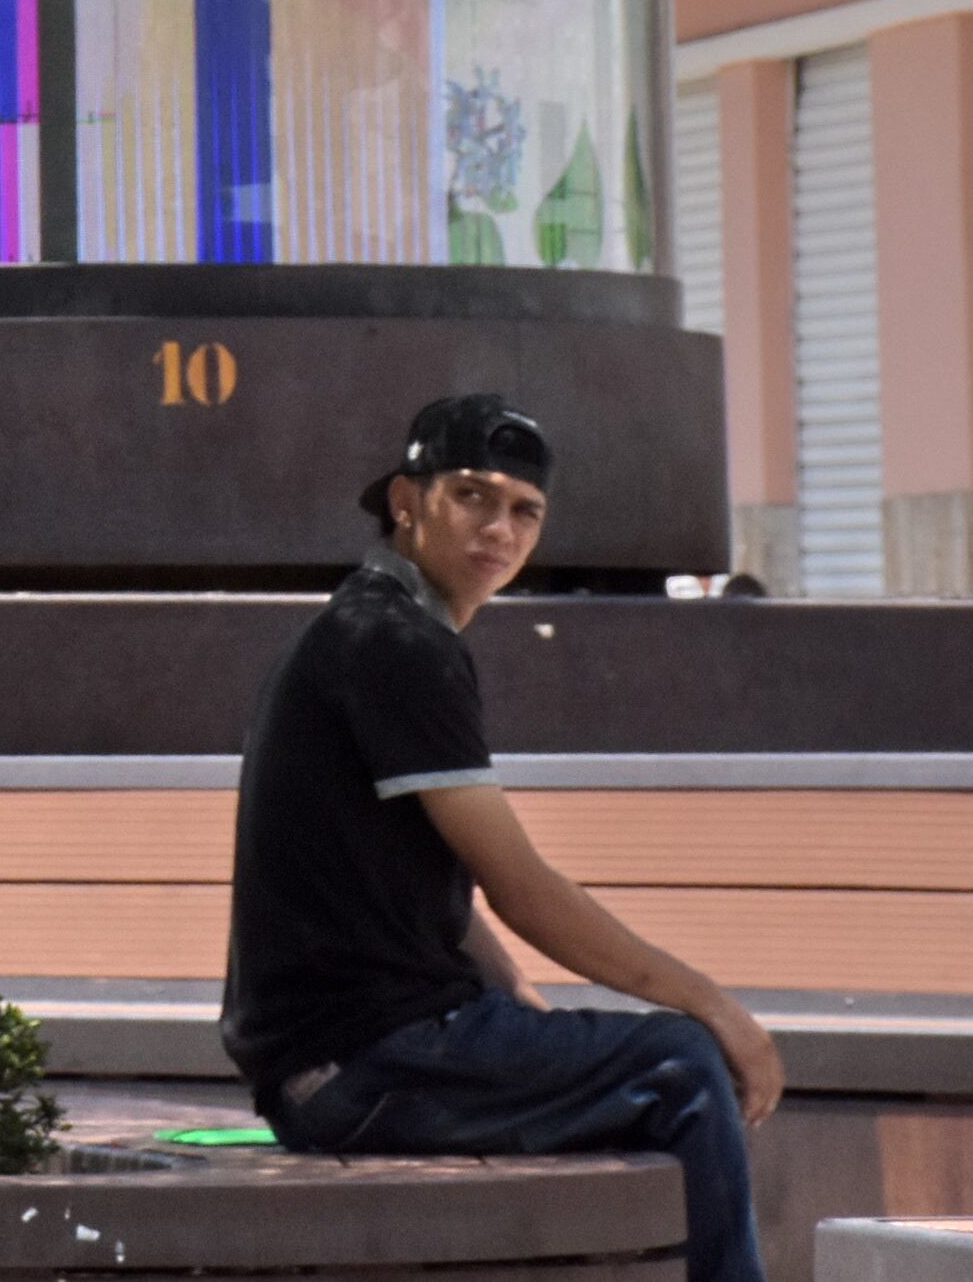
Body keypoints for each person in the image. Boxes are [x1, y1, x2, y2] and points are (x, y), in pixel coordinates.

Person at [223, 394, 785, 1282]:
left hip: (339, 1069)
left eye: (524, 511)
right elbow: (519, 888)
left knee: (638, 1070)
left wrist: (522, 1011)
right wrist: (713, 1006)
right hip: (373, 1066)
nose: (500, 528)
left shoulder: (369, 627)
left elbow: (435, 891)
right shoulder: (391, 642)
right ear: (406, 502)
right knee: (681, 1060)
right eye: (471, 497)